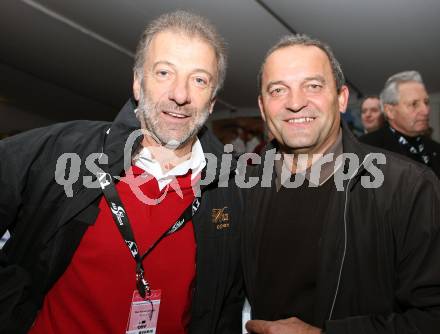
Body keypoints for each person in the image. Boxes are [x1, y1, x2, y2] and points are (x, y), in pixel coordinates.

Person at [0, 11, 243, 334]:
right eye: (164, 72)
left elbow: (226, 308)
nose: (180, 95)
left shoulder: (228, 188)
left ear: (212, 101)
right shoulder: (67, 150)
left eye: (199, 80)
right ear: (138, 83)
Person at [242, 34, 440, 334]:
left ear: (341, 98)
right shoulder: (242, 186)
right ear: (262, 105)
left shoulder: (410, 188)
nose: (295, 103)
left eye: (313, 86)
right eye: (278, 90)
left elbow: (432, 317)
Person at [360, 71, 440, 178]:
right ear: (390, 111)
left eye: (426, 102)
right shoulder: (365, 149)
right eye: (414, 104)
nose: (425, 111)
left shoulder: (435, 148)